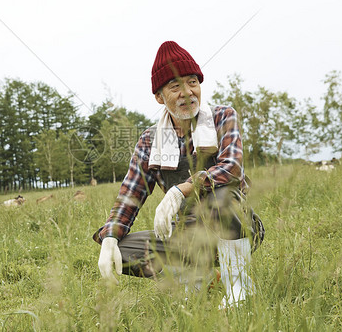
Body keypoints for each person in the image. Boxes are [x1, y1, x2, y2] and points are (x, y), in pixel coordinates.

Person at [92, 41, 264, 308]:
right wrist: (111, 236)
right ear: (160, 97)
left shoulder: (222, 118)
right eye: (175, 86)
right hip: (184, 237)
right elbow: (130, 194)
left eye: (192, 82)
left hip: (232, 226)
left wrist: (182, 188)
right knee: (123, 248)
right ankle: (199, 277)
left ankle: (239, 286)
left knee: (223, 197)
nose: (188, 92)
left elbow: (232, 169)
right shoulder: (150, 141)